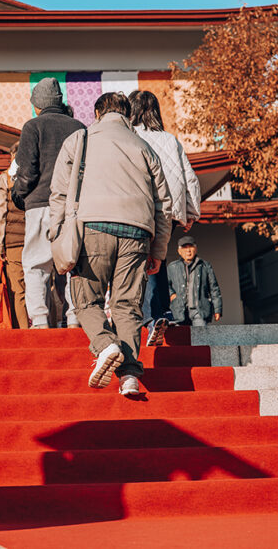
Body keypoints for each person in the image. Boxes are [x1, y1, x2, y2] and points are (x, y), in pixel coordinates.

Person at [49, 92, 172, 398]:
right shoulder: (143, 147)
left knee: (86, 301)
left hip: (92, 227)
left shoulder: (80, 140)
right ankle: (129, 376)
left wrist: (57, 233)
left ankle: (106, 346)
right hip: (137, 232)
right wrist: (158, 250)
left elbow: (59, 193)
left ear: (97, 113)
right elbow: (164, 204)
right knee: (127, 305)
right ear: (127, 115)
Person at [128, 90, 202, 344]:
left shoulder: (131, 136)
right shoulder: (170, 139)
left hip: (142, 206)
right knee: (159, 254)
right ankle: (164, 311)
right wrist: (190, 213)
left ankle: (152, 315)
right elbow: (189, 177)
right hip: (170, 209)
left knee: (144, 257)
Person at [12, 77, 85, 328]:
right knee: (73, 262)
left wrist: (20, 194)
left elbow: (26, 171)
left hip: (40, 203)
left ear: (37, 104)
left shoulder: (32, 127)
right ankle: (74, 317)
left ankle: (40, 319)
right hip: (73, 205)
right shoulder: (79, 127)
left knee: (36, 263)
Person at [0, 144, 29, 328]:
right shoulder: (38, 176)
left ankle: (24, 330)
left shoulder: (4, 180)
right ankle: (45, 325)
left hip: (14, 243)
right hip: (37, 240)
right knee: (41, 286)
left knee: (18, 290)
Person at [168, 236, 222, 326]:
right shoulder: (172, 267)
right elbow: (165, 285)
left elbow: (214, 288)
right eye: (185, 247)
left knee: (200, 334)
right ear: (179, 251)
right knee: (180, 334)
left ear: (195, 249)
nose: (188, 250)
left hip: (199, 310)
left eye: (191, 247)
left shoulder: (205, 266)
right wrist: (172, 295)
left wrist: (217, 309)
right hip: (178, 311)